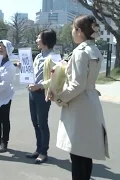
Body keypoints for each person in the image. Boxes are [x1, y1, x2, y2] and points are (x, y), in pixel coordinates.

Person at [49, 15, 109, 180]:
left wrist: (60, 98)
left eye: (73, 29)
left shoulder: (80, 52)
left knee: (77, 154)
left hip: (79, 104)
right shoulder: (94, 49)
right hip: (91, 101)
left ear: (80, 31)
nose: (72, 32)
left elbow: (76, 85)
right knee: (86, 153)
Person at [19, 29, 57, 164]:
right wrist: (22, 68)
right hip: (32, 93)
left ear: (45, 40)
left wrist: (39, 86)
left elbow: (56, 79)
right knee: (35, 123)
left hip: (42, 94)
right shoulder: (38, 56)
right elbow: (32, 75)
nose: (36, 40)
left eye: (38, 38)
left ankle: (43, 152)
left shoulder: (53, 57)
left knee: (42, 123)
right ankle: (38, 148)